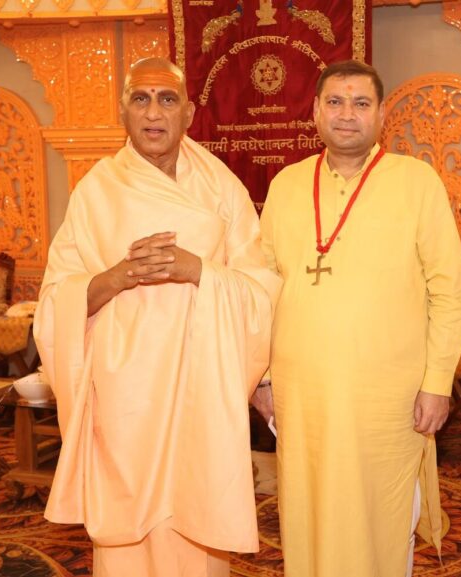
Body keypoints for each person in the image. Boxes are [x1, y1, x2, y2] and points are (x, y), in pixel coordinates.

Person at [33, 57, 281, 577]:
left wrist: (199, 271)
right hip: (126, 394)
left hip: (201, 387)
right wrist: (119, 276)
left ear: (188, 112)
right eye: (140, 98)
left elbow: (262, 289)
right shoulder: (95, 190)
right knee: (128, 528)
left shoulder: (221, 187)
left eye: (167, 99)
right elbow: (56, 299)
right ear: (123, 110)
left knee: (196, 512)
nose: (153, 112)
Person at [255, 60, 461, 577]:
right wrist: (259, 378)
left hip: (388, 399)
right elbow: (258, 290)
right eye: (335, 102)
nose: (346, 114)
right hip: (300, 395)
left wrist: (437, 382)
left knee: (381, 515)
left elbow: (451, 293)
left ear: (381, 115)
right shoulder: (286, 185)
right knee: (306, 512)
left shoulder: (416, 182)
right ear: (314, 112)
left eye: (361, 103)